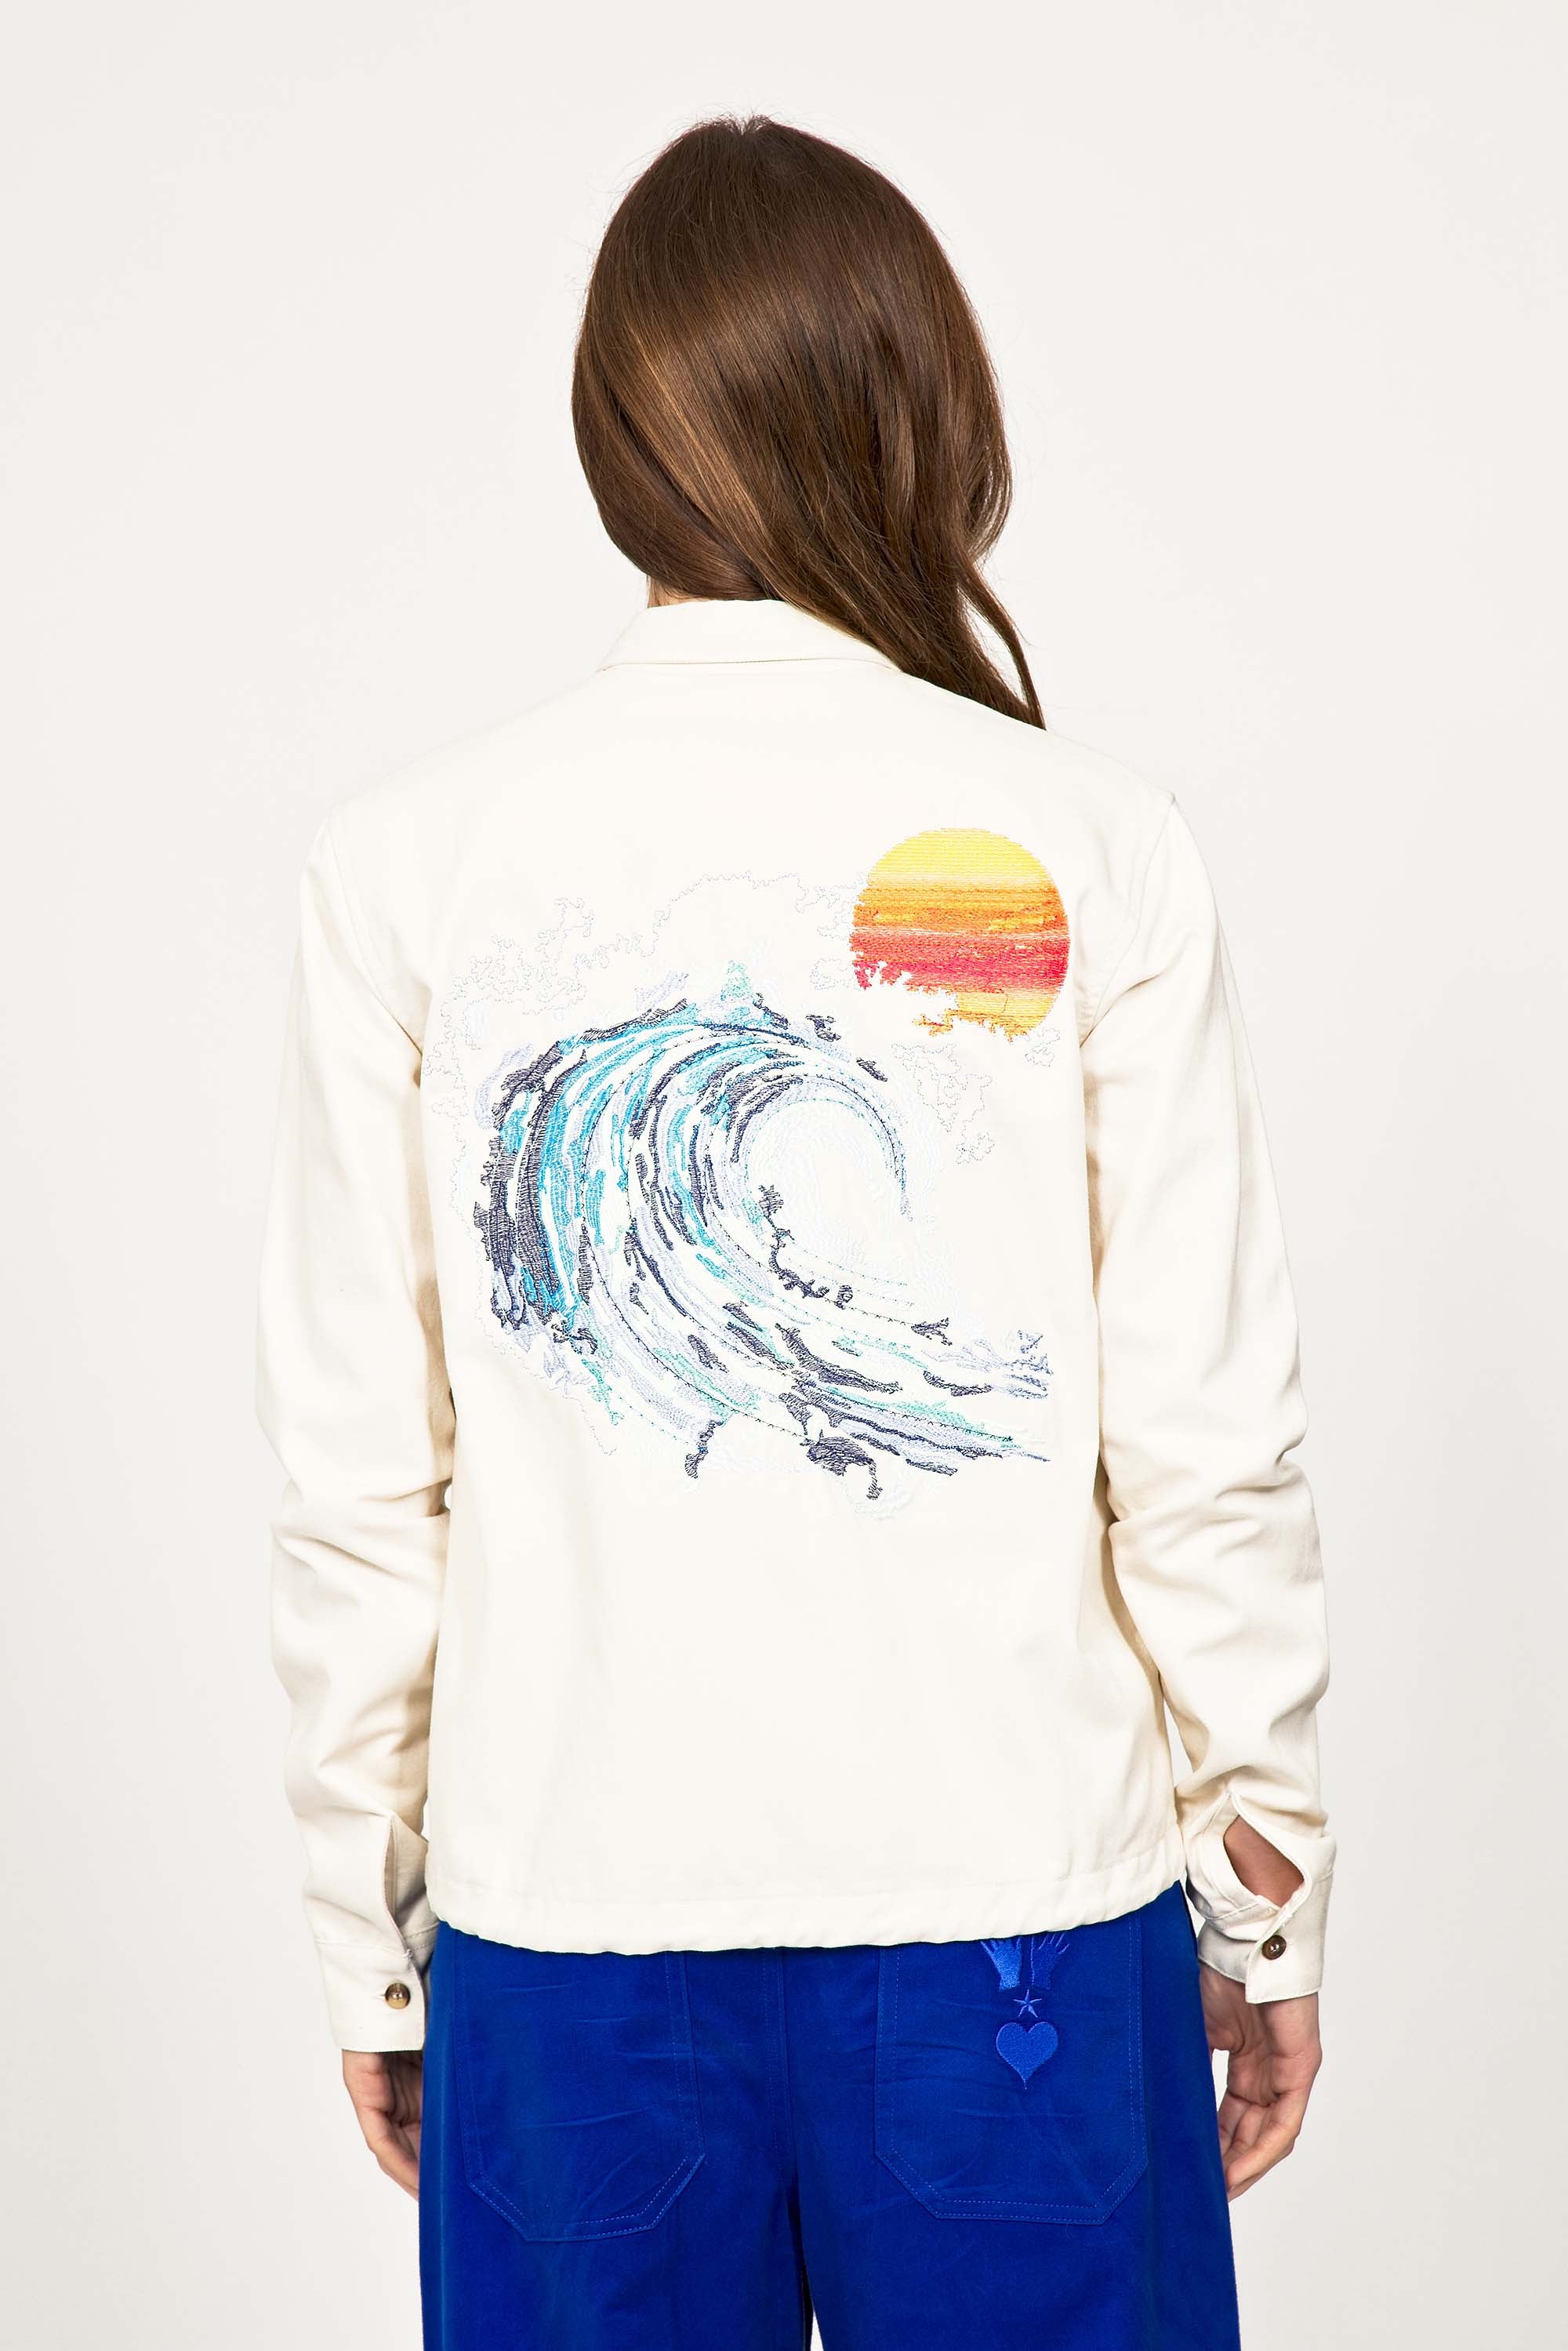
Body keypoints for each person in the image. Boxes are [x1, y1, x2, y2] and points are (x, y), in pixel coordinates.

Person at [258, 114, 1331, 2351]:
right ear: (922, 415)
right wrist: (1268, 1890)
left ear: (614, 437)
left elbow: (363, 1477)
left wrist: (373, 1937)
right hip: (1020, 1924)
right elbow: (1205, 1444)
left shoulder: (409, 866)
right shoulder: (1093, 839)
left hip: (574, 1938)